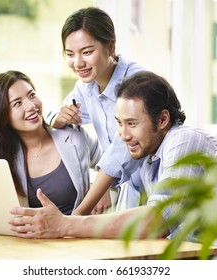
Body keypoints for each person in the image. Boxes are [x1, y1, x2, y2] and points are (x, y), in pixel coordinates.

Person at [8, 70, 217, 256]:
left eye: (132, 123)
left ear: (163, 119)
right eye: (119, 123)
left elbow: (156, 221)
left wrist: (65, 224)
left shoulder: (184, 140)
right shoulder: (148, 157)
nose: (123, 135)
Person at [46, 7, 146, 214]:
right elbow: (62, 113)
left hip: (157, 181)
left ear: (110, 46)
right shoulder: (85, 87)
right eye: (70, 54)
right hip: (130, 191)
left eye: (87, 52)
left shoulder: (137, 82)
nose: (78, 63)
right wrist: (57, 118)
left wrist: (78, 214)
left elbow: (122, 149)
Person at [0, 70, 103, 215]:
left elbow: (111, 165)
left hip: (75, 234)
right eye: (17, 103)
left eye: (32, 95)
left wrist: (102, 191)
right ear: (2, 115)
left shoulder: (73, 136)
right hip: (28, 236)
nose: (31, 106)